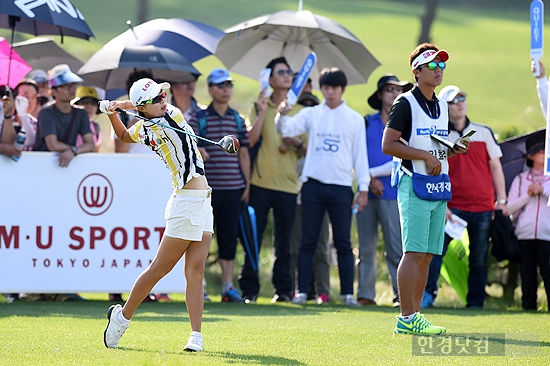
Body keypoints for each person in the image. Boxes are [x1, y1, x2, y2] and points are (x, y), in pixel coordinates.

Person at [100, 78, 212, 352]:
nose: (164, 100)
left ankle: (195, 335)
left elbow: (131, 127)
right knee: (159, 269)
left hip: (203, 200)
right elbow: (124, 137)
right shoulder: (158, 123)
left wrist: (115, 108)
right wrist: (115, 113)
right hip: (186, 203)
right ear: (143, 108)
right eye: (157, 99)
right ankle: (122, 317)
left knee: (195, 271)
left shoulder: (164, 115)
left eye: (163, 95)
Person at [382, 43, 467, 334]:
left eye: (442, 64)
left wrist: (452, 150)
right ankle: (406, 318)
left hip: (437, 184)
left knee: (429, 254)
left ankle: (415, 316)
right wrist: (426, 156)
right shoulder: (405, 102)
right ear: (416, 71)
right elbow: (388, 144)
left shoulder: (441, 105)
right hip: (413, 183)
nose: (439, 69)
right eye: (432, 65)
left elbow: (434, 148)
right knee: (414, 252)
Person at [276, 67, 369, 306]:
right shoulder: (312, 114)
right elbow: (286, 130)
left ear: (343, 89)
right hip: (313, 185)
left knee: (343, 242)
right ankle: (302, 292)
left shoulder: (355, 119)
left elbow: (361, 157)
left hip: (341, 186)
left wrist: (364, 188)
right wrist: (282, 114)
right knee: (308, 240)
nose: (330, 92)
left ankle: (348, 294)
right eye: (326, 87)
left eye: (334, 88)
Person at [421, 84, 508, 309]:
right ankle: (428, 296)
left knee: (478, 260)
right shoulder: (439, 134)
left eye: (462, 99)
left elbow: (496, 167)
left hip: (482, 207)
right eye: (453, 101)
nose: (459, 104)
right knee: (436, 252)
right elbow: (434, 170)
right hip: (452, 207)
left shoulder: (484, 132)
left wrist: (502, 200)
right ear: (444, 107)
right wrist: (443, 204)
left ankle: (475, 303)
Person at [239, 57, 305, 303]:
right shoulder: (259, 106)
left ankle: (283, 290)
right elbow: (250, 141)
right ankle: (250, 290)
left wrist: (295, 142)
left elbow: (307, 149)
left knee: (284, 243)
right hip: (259, 183)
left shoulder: (299, 111)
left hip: (288, 185)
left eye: (289, 72)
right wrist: (263, 112)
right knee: (252, 239)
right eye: (281, 72)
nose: (287, 75)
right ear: (271, 78)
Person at [187, 68, 250, 303]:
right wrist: (199, 148)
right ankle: (199, 285)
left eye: (229, 85)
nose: (226, 89)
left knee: (228, 237)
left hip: (233, 187)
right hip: (207, 190)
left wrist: (247, 183)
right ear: (211, 89)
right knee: (201, 237)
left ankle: (227, 286)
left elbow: (244, 154)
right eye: (221, 85)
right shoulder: (199, 117)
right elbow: (187, 142)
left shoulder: (237, 119)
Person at [356, 74, 410, 306]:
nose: (394, 94)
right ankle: (366, 295)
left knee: (396, 249)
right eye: (389, 90)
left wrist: (372, 175)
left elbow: (402, 158)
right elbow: (355, 156)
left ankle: (401, 296)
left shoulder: (406, 125)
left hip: (394, 193)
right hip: (365, 193)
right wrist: (367, 181)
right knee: (366, 248)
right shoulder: (365, 122)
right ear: (379, 95)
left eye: (398, 90)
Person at [288, 78, 331, 304]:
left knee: (322, 246)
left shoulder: (321, 127)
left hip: (320, 191)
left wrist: (301, 145)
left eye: (311, 105)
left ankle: (323, 291)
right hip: (296, 191)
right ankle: (301, 289)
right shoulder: (295, 125)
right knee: (297, 245)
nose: (307, 108)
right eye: (303, 104)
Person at [507, 130, 550, 311]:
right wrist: (528, 194)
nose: (544, 153)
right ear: (531, 155)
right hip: (524, 235)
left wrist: (544, 191)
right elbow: (509, 208)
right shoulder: (520, 179)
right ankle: (528, 309)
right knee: (527, 276)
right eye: (540, 150)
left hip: (547, 235)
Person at [33, 64, 95, 167]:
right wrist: (73, 150)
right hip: (41, 166)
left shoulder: (81, 113)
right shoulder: (46, 112)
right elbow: (53, 145)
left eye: (73, 84)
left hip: (65, 165)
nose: (72, 89)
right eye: (66, 85)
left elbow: (90, 145)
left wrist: (74, 151)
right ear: (53, 91)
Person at [72, 86, 102, 152]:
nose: (89, 106)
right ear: (76, 104)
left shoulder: (96, 127)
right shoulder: (67, 123)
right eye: (85, 102)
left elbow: (95, 153)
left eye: (93, 103)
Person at [13, 78, 39, 149]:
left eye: (33, 97)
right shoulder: (5, 120)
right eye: (25, 96)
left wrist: (23, 116)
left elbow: (30, 141)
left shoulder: (35, 122)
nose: (30, 101)